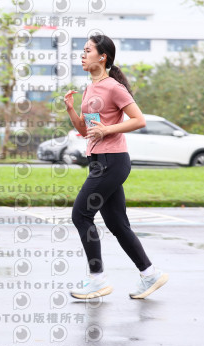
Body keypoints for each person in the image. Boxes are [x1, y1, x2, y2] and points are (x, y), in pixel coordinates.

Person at [63, 33, 168, 300]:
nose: (82, 55)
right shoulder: (90, 89)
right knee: (117, 224)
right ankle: (150, 274)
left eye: (88, 51)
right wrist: (72, 110)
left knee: (81, 215)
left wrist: (108, 129)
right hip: (99, 160)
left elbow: (139, 120)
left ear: (103, 57)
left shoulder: (113, 87)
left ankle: (97, 280)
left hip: (112, 160)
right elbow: (86, 131)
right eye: (82, 51)